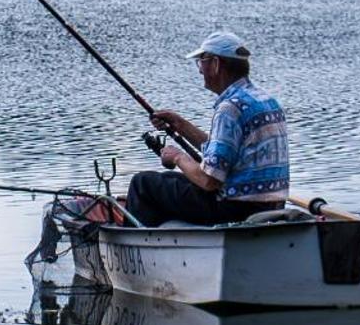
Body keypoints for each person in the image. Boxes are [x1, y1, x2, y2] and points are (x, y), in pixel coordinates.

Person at [124, 30, 289, 227]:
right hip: (270, 205)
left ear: (216, 64)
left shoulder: (230, 108)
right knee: (167, 179)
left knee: (143, 184)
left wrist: (177, 157)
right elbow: (226, 153)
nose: (200, 70)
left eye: (201, 62)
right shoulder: (265, 101)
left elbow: (209, 181)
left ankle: (140, 244)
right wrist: (181, 125)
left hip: (232, 207)